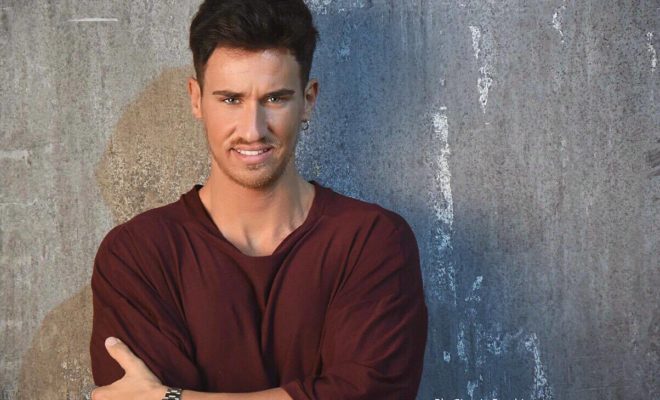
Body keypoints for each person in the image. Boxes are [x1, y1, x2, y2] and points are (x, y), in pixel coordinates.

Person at [89, 0, 428, 399]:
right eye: (230, 99)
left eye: (274, 99)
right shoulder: (137, 254)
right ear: (196, 99)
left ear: (308, 99)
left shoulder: (372, 241)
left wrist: (173, 397)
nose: (252, 130)